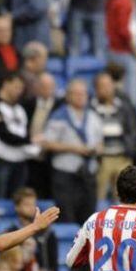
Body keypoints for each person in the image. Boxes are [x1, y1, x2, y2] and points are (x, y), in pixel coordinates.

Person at [38, 79, 103, 223]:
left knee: (89, 217)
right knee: (66, 214)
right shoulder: (59, 116)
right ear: (68, 96)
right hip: (65, 174)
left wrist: (96, 149)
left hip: (88, 174)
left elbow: (100, 142)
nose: (81, 97)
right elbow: (47, 143)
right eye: (77, 94)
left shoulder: (93, 116)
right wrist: (75, 149)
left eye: (83, 94)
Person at [92, 72, 136, 201]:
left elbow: (133, 131)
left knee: (124, 198)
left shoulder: (125, 107)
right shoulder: (91, 108)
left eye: (109, 85)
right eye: (102, 86)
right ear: (96, 89)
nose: (106, 89)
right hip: (101, 160)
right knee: (98, 197)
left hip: (122, 157)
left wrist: (130, 149)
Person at [0, 73, 35, 198]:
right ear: (6, 84)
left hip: (21, 159)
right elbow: (4, 134)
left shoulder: (20, 109)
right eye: (16, 87)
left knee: (19, 197)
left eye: (21, 88)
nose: (19, 91)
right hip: (3, 158)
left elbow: (24, 130)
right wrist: (29, 140)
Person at [106, 0, 136, 106]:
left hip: (113, 50)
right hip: (123, 52)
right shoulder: (124, 1)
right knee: (130, 98)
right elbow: (123, 30)